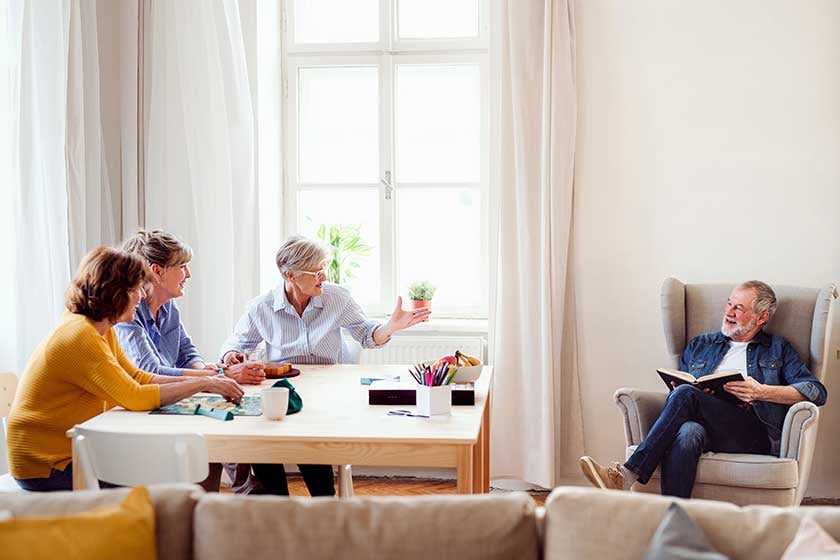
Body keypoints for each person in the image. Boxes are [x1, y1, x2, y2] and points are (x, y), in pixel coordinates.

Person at [6, 247, 244, 491]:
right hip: (48, 465)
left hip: (71, 452)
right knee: (173, 474)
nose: (141, 296)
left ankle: (186, 521)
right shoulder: (81, 335)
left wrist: (208, 381)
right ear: (115, 293)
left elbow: (138, 377)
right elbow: (136, 396)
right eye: (136, 289)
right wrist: (204, 384)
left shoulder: (99, 327)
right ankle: (175, 524)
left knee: (186, 466)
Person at [218, 236, 432, 496]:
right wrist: (232, 356)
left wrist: (390, 327)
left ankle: (325, 507)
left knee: (315, 458)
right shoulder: (262, 307)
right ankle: (277, 509)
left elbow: (366, 334)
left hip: (326, 392)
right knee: (265, 446)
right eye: (316, 272)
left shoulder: (337, 298)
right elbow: (236, 344)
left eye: (324, 269)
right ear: (290, 275)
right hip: (282, 392)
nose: (323, 276)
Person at [580, 280, 828, 499]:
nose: (728, 312)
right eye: (729, 304)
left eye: (738, 308)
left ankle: (625, 475)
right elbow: (682, 392)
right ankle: (674, 522)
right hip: (703, 423)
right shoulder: (700, 345)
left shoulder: (777, 349)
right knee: (687, 431)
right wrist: (688, 391)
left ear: (761, 317)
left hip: (751, 433)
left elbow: (816, 391)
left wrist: (760, 391)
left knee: (687, 396)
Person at [115, 229, 265, 385]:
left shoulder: (169, 305)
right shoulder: (127, 314)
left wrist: (208, 370)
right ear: (157, 271)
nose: (188, 274)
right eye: (182, 266)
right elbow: (151, 371)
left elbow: (186, 353)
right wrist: (219, 375)